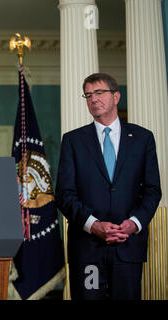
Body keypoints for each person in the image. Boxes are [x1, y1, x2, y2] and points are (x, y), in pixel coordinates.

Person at [55, 73, 161, 300]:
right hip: (87, 249)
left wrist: (134, 223)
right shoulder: (73, 140)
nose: (94, 99)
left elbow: (152, 190)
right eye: (88, 95)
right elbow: (64, 194)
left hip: (128, 247)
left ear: (116, 96)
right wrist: (93, 225)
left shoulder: (142, 138)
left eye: (100, 93)